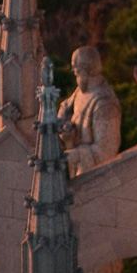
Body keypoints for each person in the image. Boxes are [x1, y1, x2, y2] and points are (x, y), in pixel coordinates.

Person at [57, 45, 121, 176]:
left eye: (76, 69)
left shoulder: (105, 105)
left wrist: (77, 155)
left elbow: (107, 151)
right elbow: (65, 106)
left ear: (86, 71)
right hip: (76, 169)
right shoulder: (81, 91)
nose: (73, 71)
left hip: (95, 175)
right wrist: (64, 126)